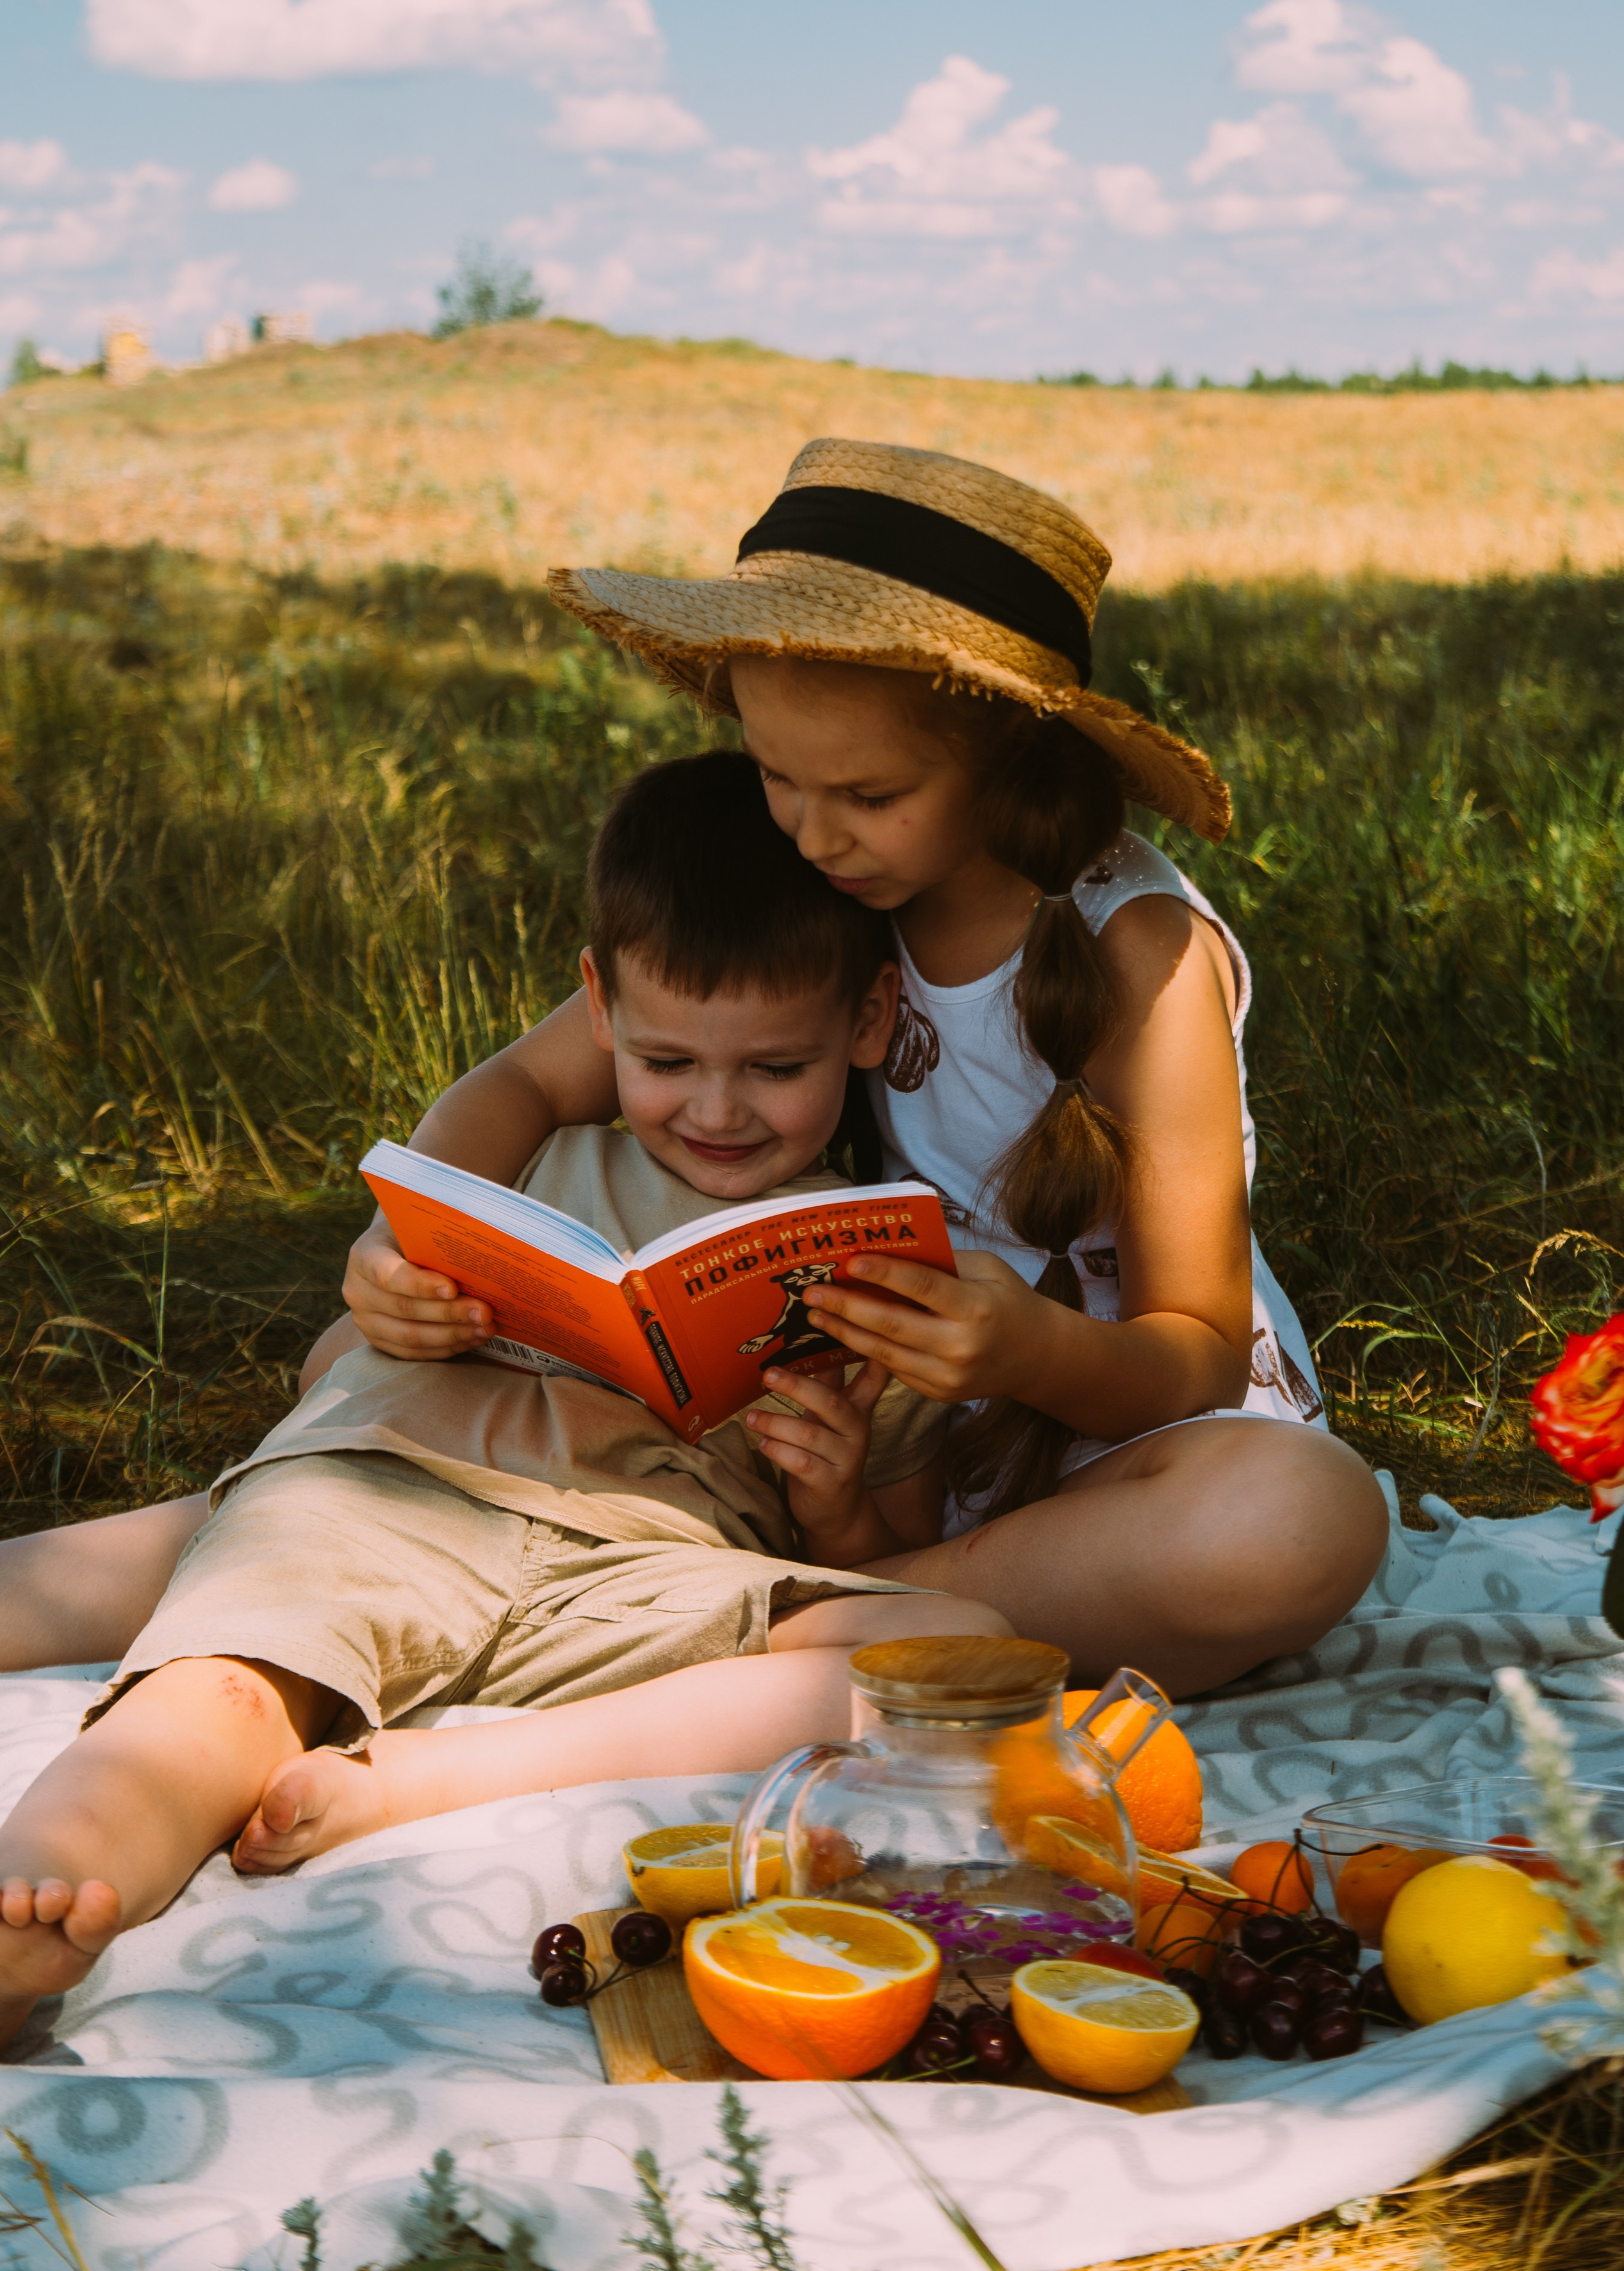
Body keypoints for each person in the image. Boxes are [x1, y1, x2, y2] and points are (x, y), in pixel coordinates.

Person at [0, 438, 1386, 1704]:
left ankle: (733, 1632)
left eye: (864, 796)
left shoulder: (1137, 956)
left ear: (1006, 753)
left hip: (1100, 1454)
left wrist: (1024, 1349)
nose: (811, 831)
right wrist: (404, 1236)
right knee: (381, 1416)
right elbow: (528, 1082)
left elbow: (1191, 1359)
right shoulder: (815, 876)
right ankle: (656, 1619)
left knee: (1281, 1522)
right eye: (776, 776)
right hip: (836, 1442)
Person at [0, 752, 1006, 2046]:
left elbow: (885, 1547)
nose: (711, 1108)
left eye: (772, 1067)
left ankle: (432, 1774)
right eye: (663, 1059)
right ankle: (44, 1894)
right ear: (597, 1010)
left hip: (642, 1572)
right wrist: (403, 1283)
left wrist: (832, 1492)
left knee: (947, 1643)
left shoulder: (881, 1267)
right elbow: (389, 1289)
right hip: (403, 1497)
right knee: (227, 1688)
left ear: (867, 1024)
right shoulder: (533, 1159)